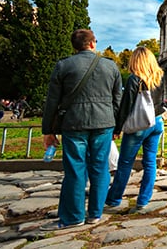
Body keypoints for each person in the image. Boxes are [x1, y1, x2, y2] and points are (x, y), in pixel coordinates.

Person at [41, 29, 122, 230]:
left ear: (74, 46)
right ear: (93, 43)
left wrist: (48, 130)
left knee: (75, 169)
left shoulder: (63, 65)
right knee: (100, 167)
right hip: (103, 123)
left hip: (74, 123)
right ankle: (95, 213)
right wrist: (116, 124)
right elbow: (117, 100)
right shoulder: (110, 66)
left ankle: (73, 217)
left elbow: (52, 101)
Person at [105, 46, 166, 212]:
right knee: (150, 162)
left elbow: (126, 107)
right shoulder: (158, 77)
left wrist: (117, 129)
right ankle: (143, 200)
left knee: (125, 163)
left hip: (140, 124)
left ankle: (114, 198)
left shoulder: (134, 79)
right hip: (157, 121)